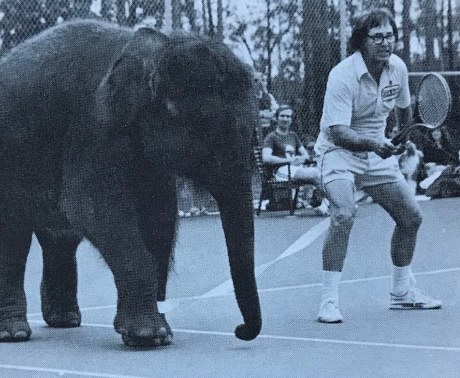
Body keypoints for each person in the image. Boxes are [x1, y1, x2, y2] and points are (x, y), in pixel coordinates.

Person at [314, 8, 442, 323]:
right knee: (343, 214)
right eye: (377, 37)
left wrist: (402, 136)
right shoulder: (342, 75)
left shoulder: (397, 68)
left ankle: (402, 293)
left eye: (389, 36)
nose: (385, 43)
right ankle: (329, 301)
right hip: (337, 152)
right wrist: (375, 143)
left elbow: (403, 111)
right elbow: (337, 132)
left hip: (375, 154)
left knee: (411, 217)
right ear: (362, 41)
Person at [262, 105, 328, 214]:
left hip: (294, 168)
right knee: (316, 174)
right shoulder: (271, 137)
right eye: (282, 116)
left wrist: (299, 158)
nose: (285, 119)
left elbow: (305, 156)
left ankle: (322, 203)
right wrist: (288, 161)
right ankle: (324, 203)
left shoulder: (293, 135)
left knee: (322, 172)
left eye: (288, 116)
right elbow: (266, 158)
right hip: (280, 171)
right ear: (276, 118)